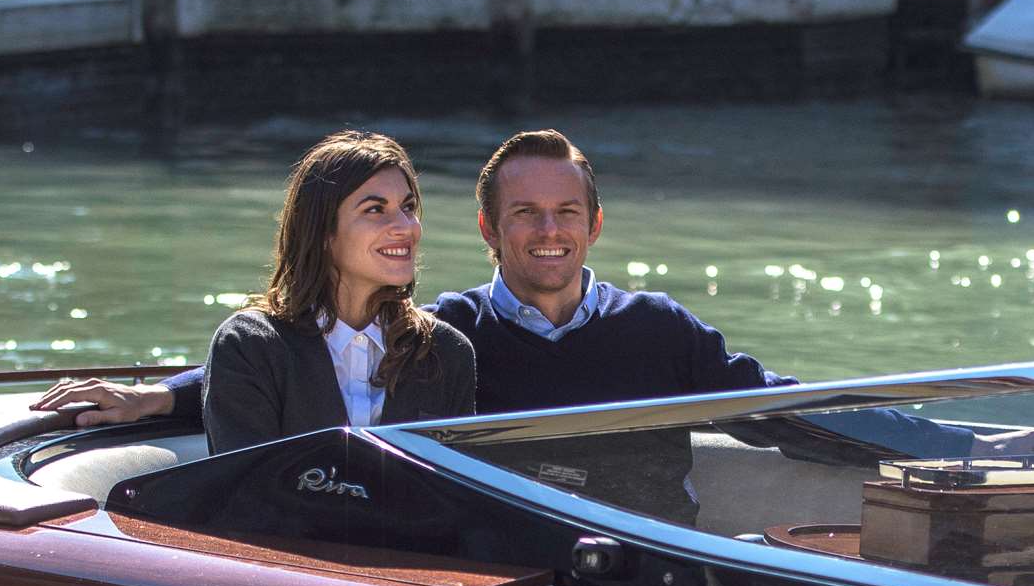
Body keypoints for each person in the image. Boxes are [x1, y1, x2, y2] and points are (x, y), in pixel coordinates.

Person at [49, 128, 780, 435]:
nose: (548, 232)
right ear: (488, 231)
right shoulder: (453, 334)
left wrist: (890, 428)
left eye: (566, 213)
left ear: (595, 224)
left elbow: (772, 401)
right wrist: (159, 396)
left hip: (637, 559)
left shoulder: (656, 326)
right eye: (524, 213)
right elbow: (286, 354)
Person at [173, 131, 475, 453]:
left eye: (408, 207)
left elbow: (450, 494)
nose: (406, 226)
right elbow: (247, 492)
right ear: (321, 231)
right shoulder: (251, 346)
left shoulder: (447, 352)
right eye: (375, 209)